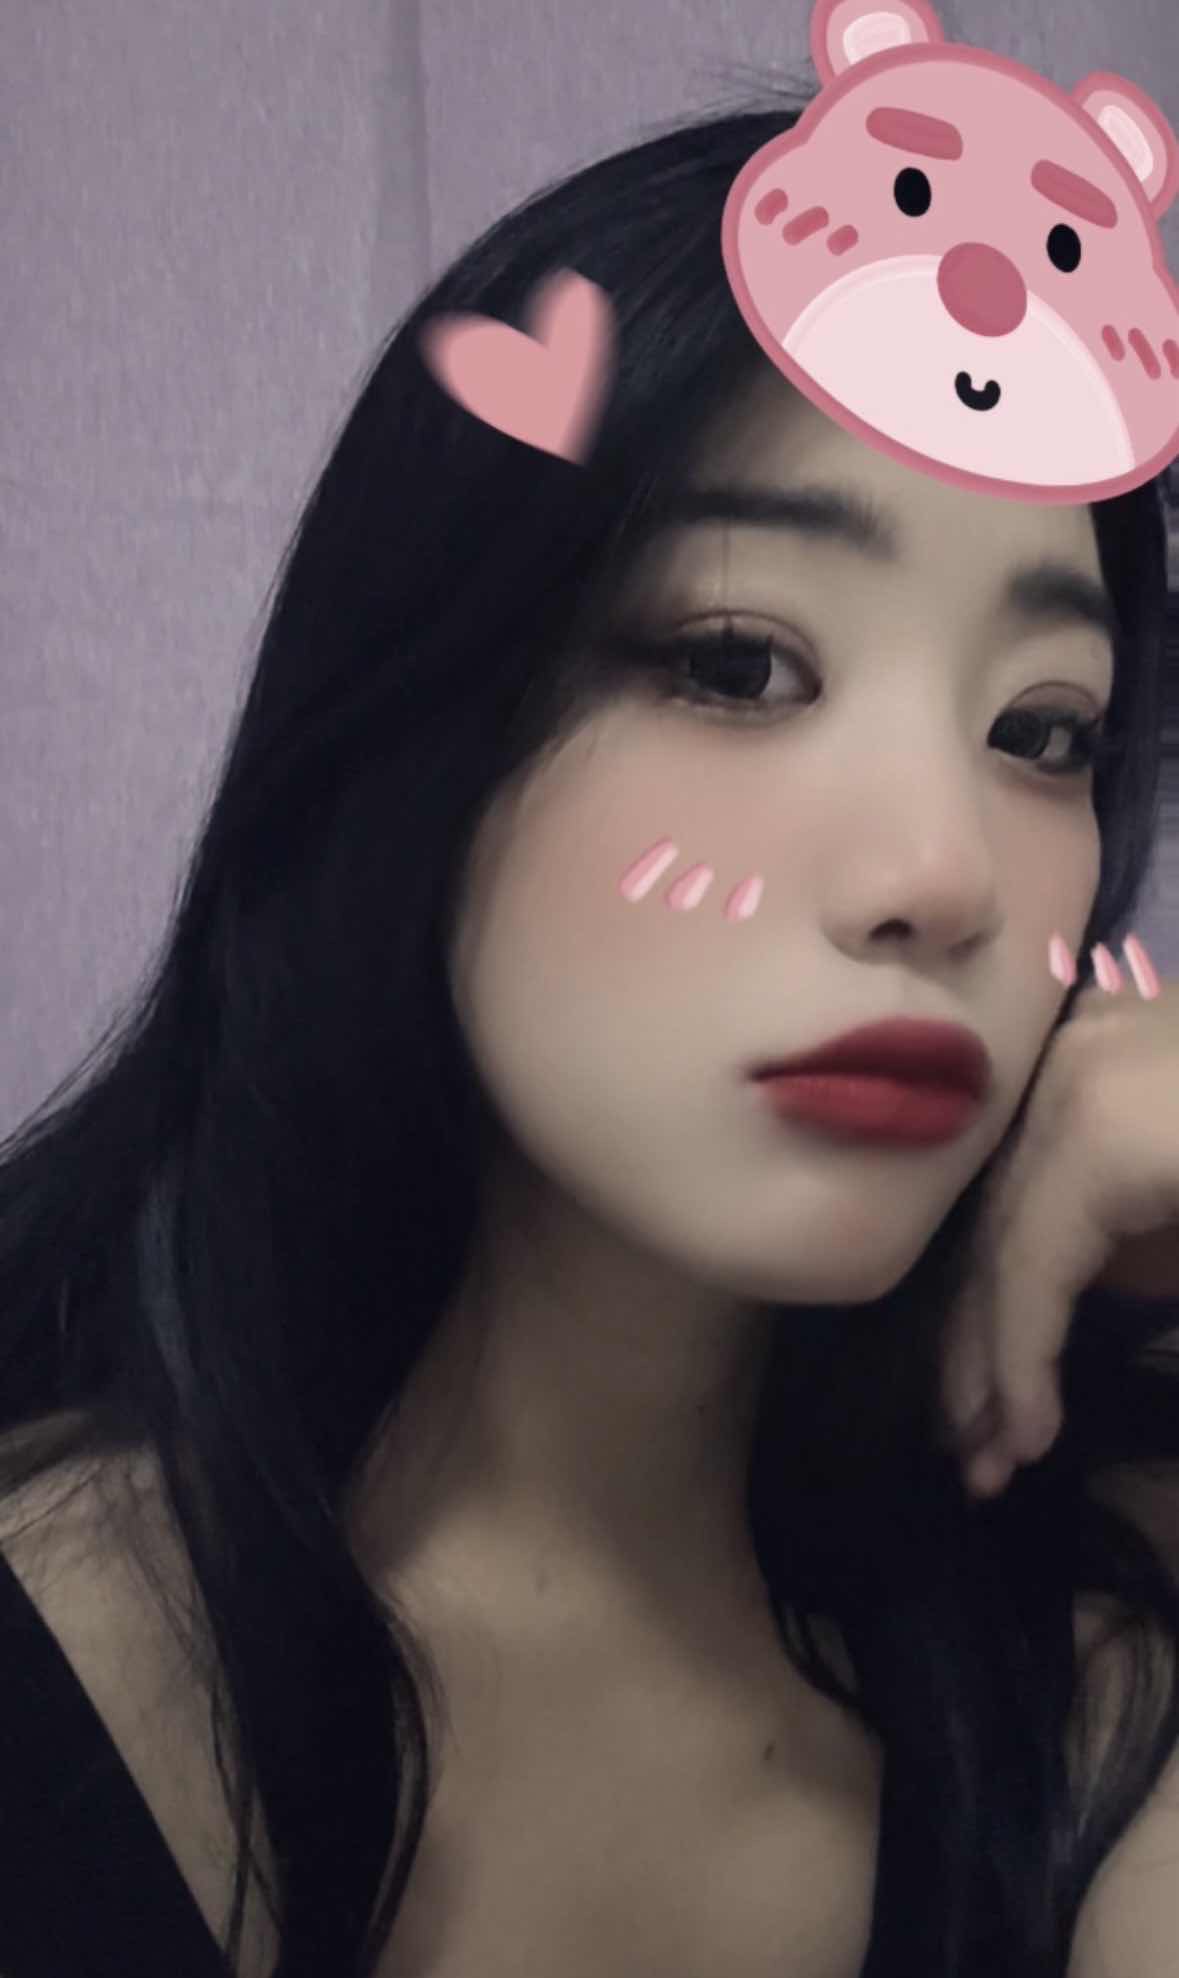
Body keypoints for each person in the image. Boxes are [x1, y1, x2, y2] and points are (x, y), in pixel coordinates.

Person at [1, 71, 1178, 1978]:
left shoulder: (1089, 1689)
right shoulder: (63, 1656)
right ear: (423, 731)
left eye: (1043, 729)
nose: (944, 871)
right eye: (738, 661)